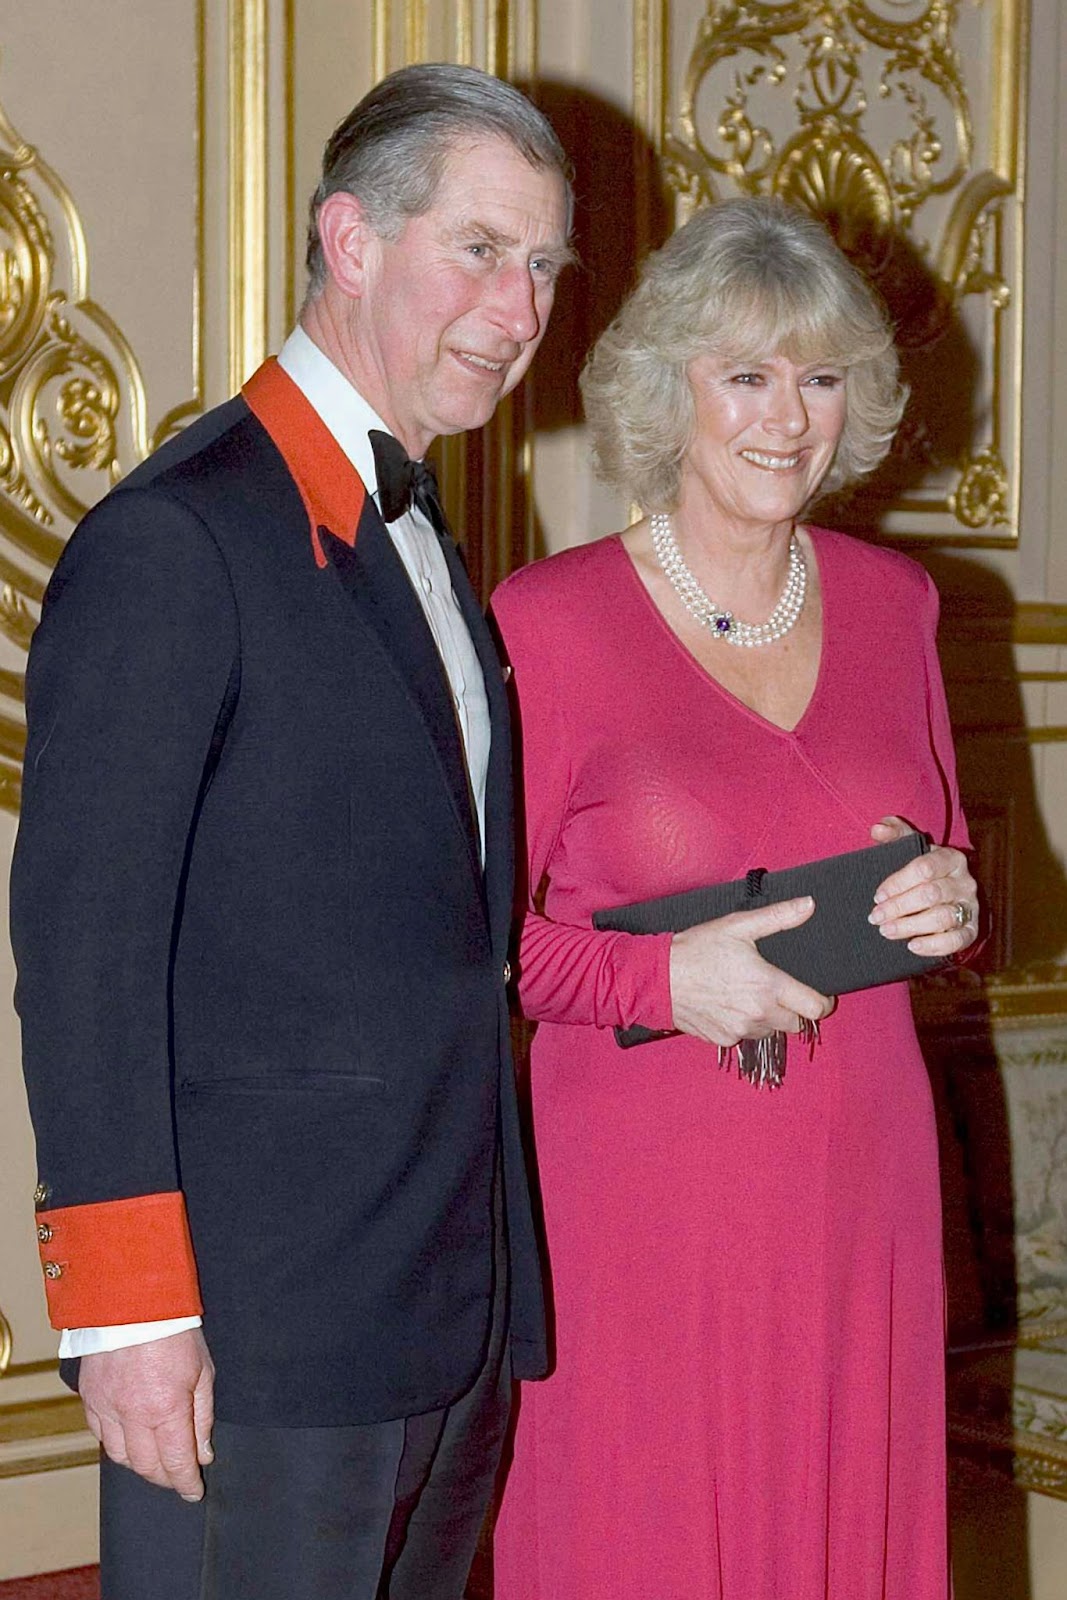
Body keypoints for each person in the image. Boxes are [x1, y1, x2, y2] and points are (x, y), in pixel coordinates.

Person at [11, 62, 572, 1600]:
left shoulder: (430, 546)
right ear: (349, 239)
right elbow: (82, 961)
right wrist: (128, 1319)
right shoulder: (175, 540)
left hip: (447, 1308)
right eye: (481, 250)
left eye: (542, 267)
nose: (520, 310)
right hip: (255, 1336)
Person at [490, 196, 979, 1599]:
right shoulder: (552, 620)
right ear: (670, 392)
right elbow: (464, 949)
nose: (788, 418)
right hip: (642, 1208)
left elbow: (935, 862)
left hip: (858, 1187)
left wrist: (950, 907)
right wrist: (660, 981)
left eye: (820, 379)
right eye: (746, 375)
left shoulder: (900, 605)